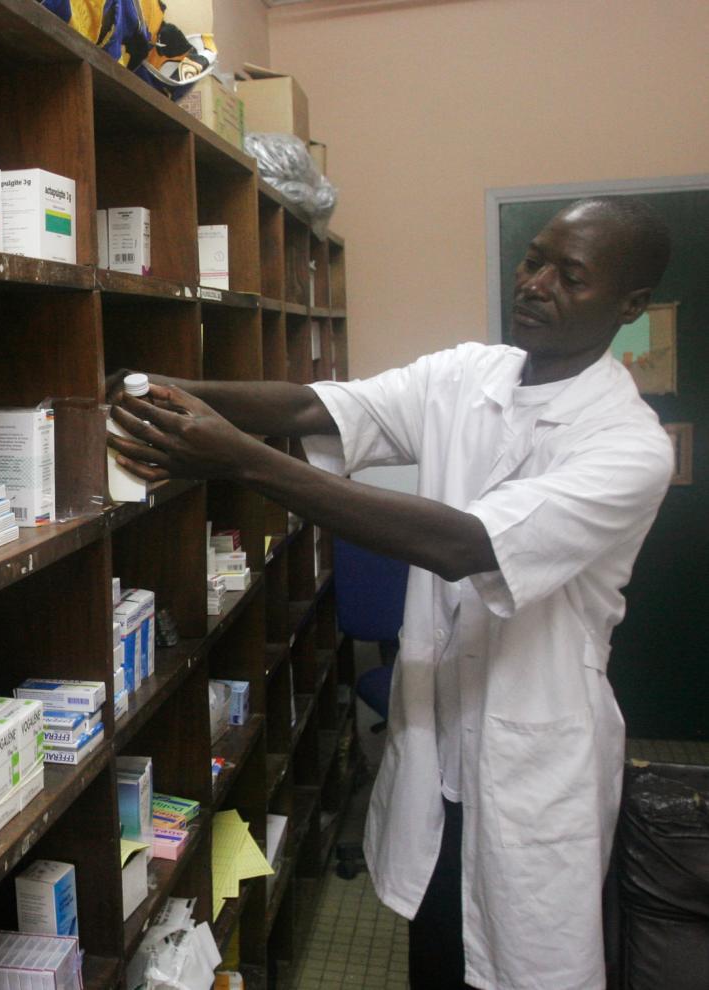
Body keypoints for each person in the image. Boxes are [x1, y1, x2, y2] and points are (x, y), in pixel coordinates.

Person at [107, 197, 673, 990]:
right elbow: (315, 406)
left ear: (630, 306)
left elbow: (461, 545)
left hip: (534, 751)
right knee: (437, 947)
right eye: (532, 258)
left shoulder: (627, 447)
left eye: (568, 276)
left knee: (522, 963)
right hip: (437, 736)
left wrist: (239, 459)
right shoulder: (468, 375)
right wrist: (154, 386)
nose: (536, 283)